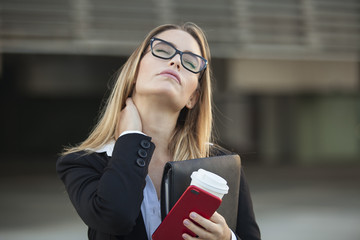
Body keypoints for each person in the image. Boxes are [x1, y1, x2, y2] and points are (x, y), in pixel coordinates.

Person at [56, 22, 261, 240]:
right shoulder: (82, 163)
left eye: (190, 61)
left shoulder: (224, 166)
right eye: (163, 50)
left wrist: (227, 239)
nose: (175, 61)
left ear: (193, 97)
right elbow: (115, 218)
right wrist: (130, 138)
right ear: (134, 72)